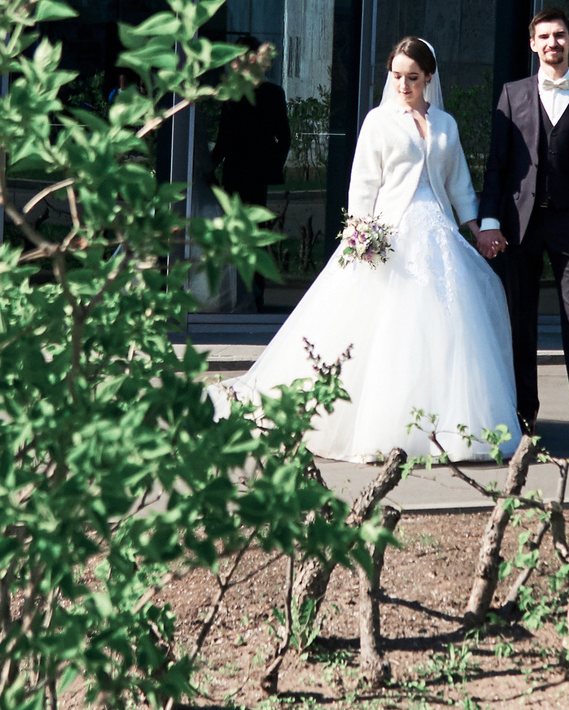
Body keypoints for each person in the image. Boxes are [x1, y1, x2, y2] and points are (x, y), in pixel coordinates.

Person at [221, 37, 517, 463]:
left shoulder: (446, 124)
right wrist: (360, 233)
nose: (403, 84)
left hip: (437, 235)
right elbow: (363, 183)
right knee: (384, 329)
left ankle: (445, 428)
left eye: (412, 77)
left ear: (429, 77)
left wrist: (478, 227)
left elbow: (459, 185)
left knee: (445, 330)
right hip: (389, 235)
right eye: (396, 75)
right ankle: (379, 426)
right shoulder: (378, 122)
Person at [475, 7, 569, 459]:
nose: (552, 42)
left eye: (559, 35)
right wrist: (491, 221)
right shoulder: (512, 94)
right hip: (519, 225)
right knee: (520, 324)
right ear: (533, 44)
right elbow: (497, 165)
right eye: (544, 36)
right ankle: (525, 423)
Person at [208, 33, 292, 310]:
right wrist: (207, 167)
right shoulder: (232, 95)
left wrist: (271, 167)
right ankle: (238, 294)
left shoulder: (271, 93)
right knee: (236, 236)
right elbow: (223, 140)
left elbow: (284, 137)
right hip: (235, 173)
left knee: (256, 235)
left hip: (254, 174)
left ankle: (255, 295)